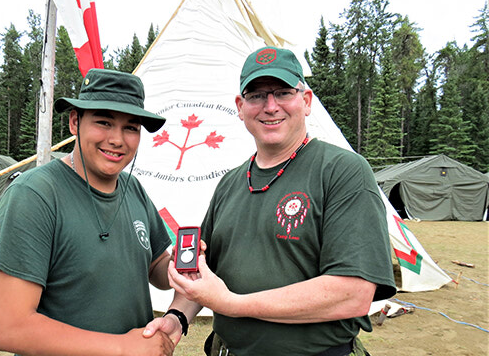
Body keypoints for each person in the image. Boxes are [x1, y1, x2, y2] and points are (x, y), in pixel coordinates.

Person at [145, 46, 397, 355]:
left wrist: (232, 304)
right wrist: (177, 317)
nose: (270, 106)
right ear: (240, 107)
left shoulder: (341, 171)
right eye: (257, 96)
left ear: (305, 101)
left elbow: (353, 293)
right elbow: (203, 274)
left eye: (282, 93)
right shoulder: (231, 183)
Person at [0, 68, 187, 356]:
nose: (117, 139)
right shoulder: (35, 196)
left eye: (131, 127)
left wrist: (183, 264)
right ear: (75, 122)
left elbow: (156, 267)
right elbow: (9, 327)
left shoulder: (133, 188)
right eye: (104, 122)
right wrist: (121, 347)